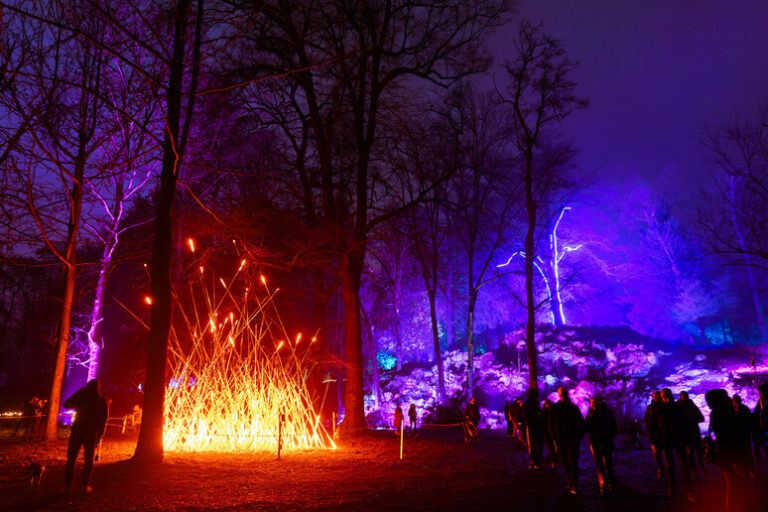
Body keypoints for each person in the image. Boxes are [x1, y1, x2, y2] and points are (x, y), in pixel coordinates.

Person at [706, 388, 750, 512]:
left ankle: (732, 508)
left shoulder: (715, 413)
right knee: (738, 484)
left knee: (732, 484)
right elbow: (735, 431)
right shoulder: (727, 412)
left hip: (725, 454)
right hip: (734, 452)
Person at [63, 379, 108, 494]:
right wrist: (99, 436)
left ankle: (67, 487)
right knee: (89, 460)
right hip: (91, 433)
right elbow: (103, 421)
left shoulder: (81, 397)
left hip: (78, 430)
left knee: (71, 459)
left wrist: (78, 393)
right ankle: (85, 486)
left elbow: (66, 404)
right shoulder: (101, 401)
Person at [649, 388, 693, 500]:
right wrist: (653, 441)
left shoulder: (676, 407)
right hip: (667, 439)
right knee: (670, 465)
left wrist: (688, 441)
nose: (664, 397)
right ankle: (673, 488)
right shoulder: (658, 408)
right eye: (663, 395)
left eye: (666, 395)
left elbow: (684, 424)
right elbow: (652, 426)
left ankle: (687, 490)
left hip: (676, 438)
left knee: (682, 464)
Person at [551, 387, 584, 495]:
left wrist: (554, 438)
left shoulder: (559, 408)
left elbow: (551, 425)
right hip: (567, 438)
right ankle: (572, 481)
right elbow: (551, 424)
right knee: (568, 461)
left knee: (570, 461)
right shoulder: (571, 408)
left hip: (567, 439)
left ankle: (573, 482)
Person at [584, 395, 618, 495]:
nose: (592, 404)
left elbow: (612, 425)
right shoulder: (591, 411)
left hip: (604, 439)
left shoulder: (606, 412)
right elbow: (587, 425)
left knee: (607, 461)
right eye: (591, 402)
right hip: (595, 440)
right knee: (599, 462)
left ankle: (610, 483)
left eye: (594, 402)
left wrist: (609, 435)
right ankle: (603, 483)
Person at [678, 391, 706, 476]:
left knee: (697, 452)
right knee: (691, 452)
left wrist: (690, 420)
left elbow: (701, 418)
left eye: (685, 396)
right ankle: (695, 470)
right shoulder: (679, 407)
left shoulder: (691, 406)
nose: (685, 398)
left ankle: (699, 468)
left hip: (692, 433)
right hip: (686, 434)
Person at [732, 394, 755, 477]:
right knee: (747, 452)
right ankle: (750, 470)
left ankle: (749, 471)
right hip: (744, 433)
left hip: (742, 434)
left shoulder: (739, 409)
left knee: (745, 452)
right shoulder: (744, 408)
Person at [644, 391, 665, 479]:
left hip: (663, 433)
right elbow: (646, 420)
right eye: (654, 395)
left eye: (657, 395)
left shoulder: (664, 406)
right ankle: (660, 469)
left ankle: (665, 469)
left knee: (664, 453)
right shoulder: (650, 407)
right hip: (655, 434)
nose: (656, 397)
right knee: (657, 453)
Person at [521, 389, 543, 469]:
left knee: (532, 443)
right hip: (535, 425)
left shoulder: (526, 404)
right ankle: (537, 461)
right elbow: (538, 413)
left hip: (530, 425)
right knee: (537, 443)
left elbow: (524, 415)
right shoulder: (536, 403)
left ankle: (532, 461)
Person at [541, 398, 557, 468]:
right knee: (551, 446)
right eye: (546, 404)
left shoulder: (552, 411)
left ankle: (554, 459)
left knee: (554, 445)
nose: (547, 405)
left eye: (548, 404)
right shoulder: (544, 412)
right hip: (547, 431)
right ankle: (553, 460)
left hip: (553, 430)